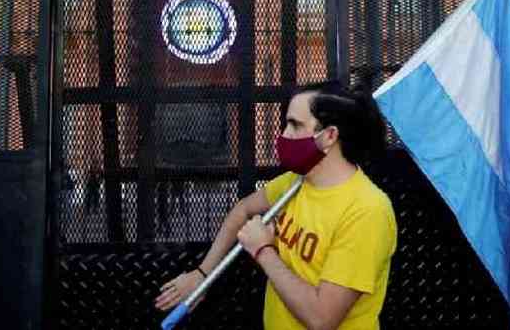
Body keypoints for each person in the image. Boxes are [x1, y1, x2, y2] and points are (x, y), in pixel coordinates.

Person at [155, 80, 397, 330]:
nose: (284, 135)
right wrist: (202, 275)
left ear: (330, 136)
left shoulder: (367, 211)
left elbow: (322, 319)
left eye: (295, 125)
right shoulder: (297, 182)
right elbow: (243, 209)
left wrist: (263, 250)